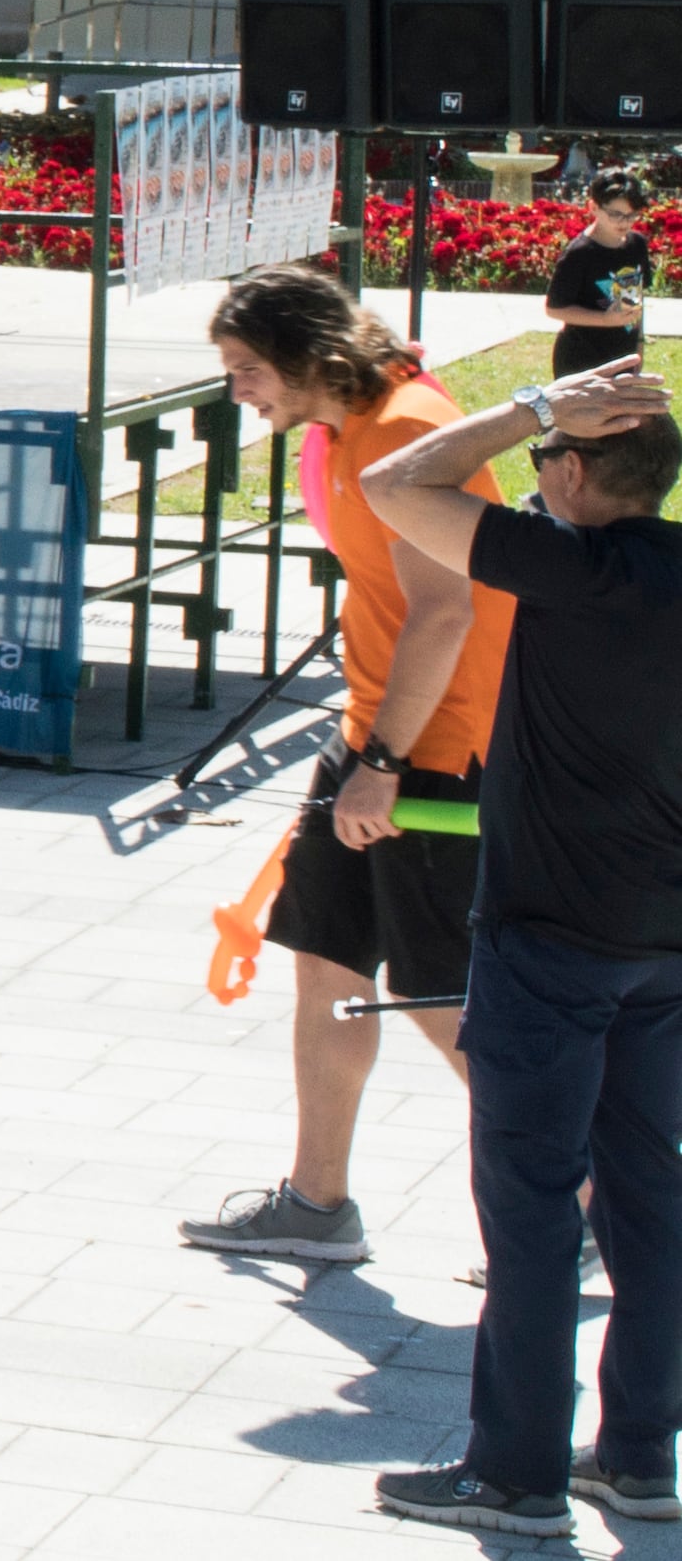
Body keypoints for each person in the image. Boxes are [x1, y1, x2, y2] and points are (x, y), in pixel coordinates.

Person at [354, 360, 682, 1536]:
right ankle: (638, 1454)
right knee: (647, 1199)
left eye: (546, 468)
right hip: (660, 943)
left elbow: (394, 481)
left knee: (533, 1207)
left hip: (550, 940)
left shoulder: (568, 566)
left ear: (580, 469)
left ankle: (515, 1470)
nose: (532, 482)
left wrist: (532, 407)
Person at [176, 266, 512, 1266]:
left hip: (434, 749)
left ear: (304, 356)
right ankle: (316, 1203)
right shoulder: (333, 428)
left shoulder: (407, 427)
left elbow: (445, 609)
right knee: (326, 966)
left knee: (438, 992)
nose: (235, 388)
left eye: (245, 368)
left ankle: (577, 1196)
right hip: (375, 732)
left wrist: (382, 761)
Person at [552, 173, 657, 379]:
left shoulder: (637, 244)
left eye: (632, 214)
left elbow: (637, 300)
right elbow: (554, 309)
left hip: (623, 355)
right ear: (593, 207)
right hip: (581, 360)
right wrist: (606, 319)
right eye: (615, 214)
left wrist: (639, 344)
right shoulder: (579, 253)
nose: (624, 222)